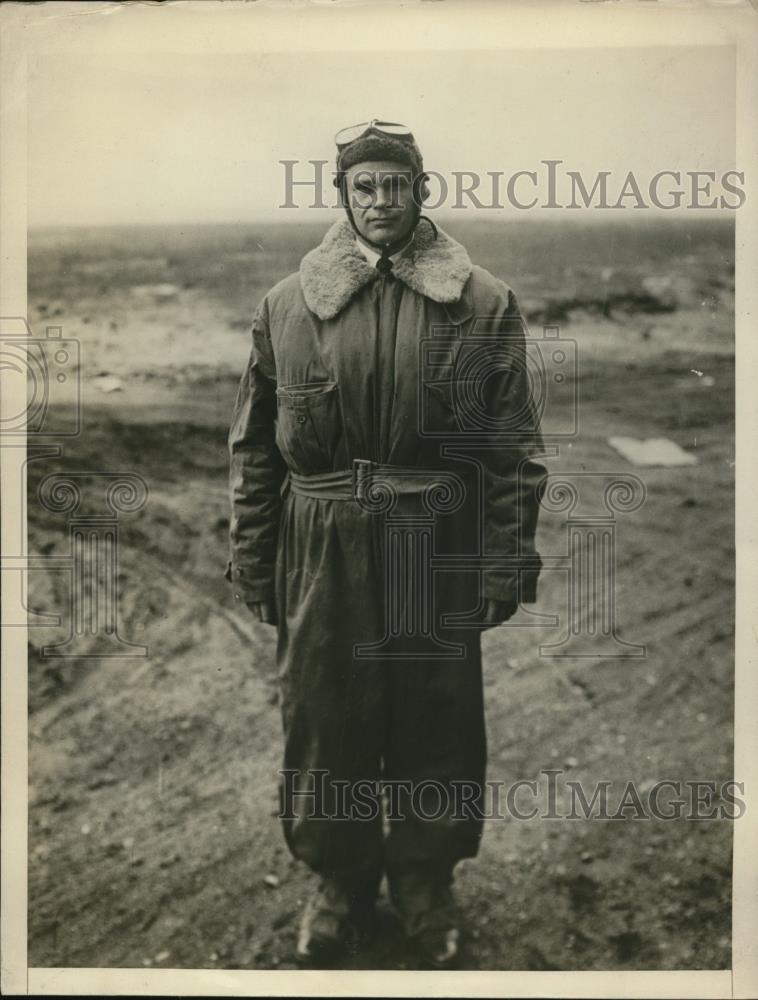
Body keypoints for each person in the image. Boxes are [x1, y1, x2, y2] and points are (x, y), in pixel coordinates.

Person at [227, 119, 546, 968]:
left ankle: (424, 883)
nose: (380, 201)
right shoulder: (287, 305)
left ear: (421, 191)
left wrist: (507, 555)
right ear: (341, 195)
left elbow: (511, 444)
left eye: (394, 185)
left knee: (431, 716)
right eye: (363, 187)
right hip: (321, 542)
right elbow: (255, 448)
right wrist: (255, 554)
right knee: (324, 716)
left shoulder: (480, 300)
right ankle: (337, 880)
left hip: (429, 538)